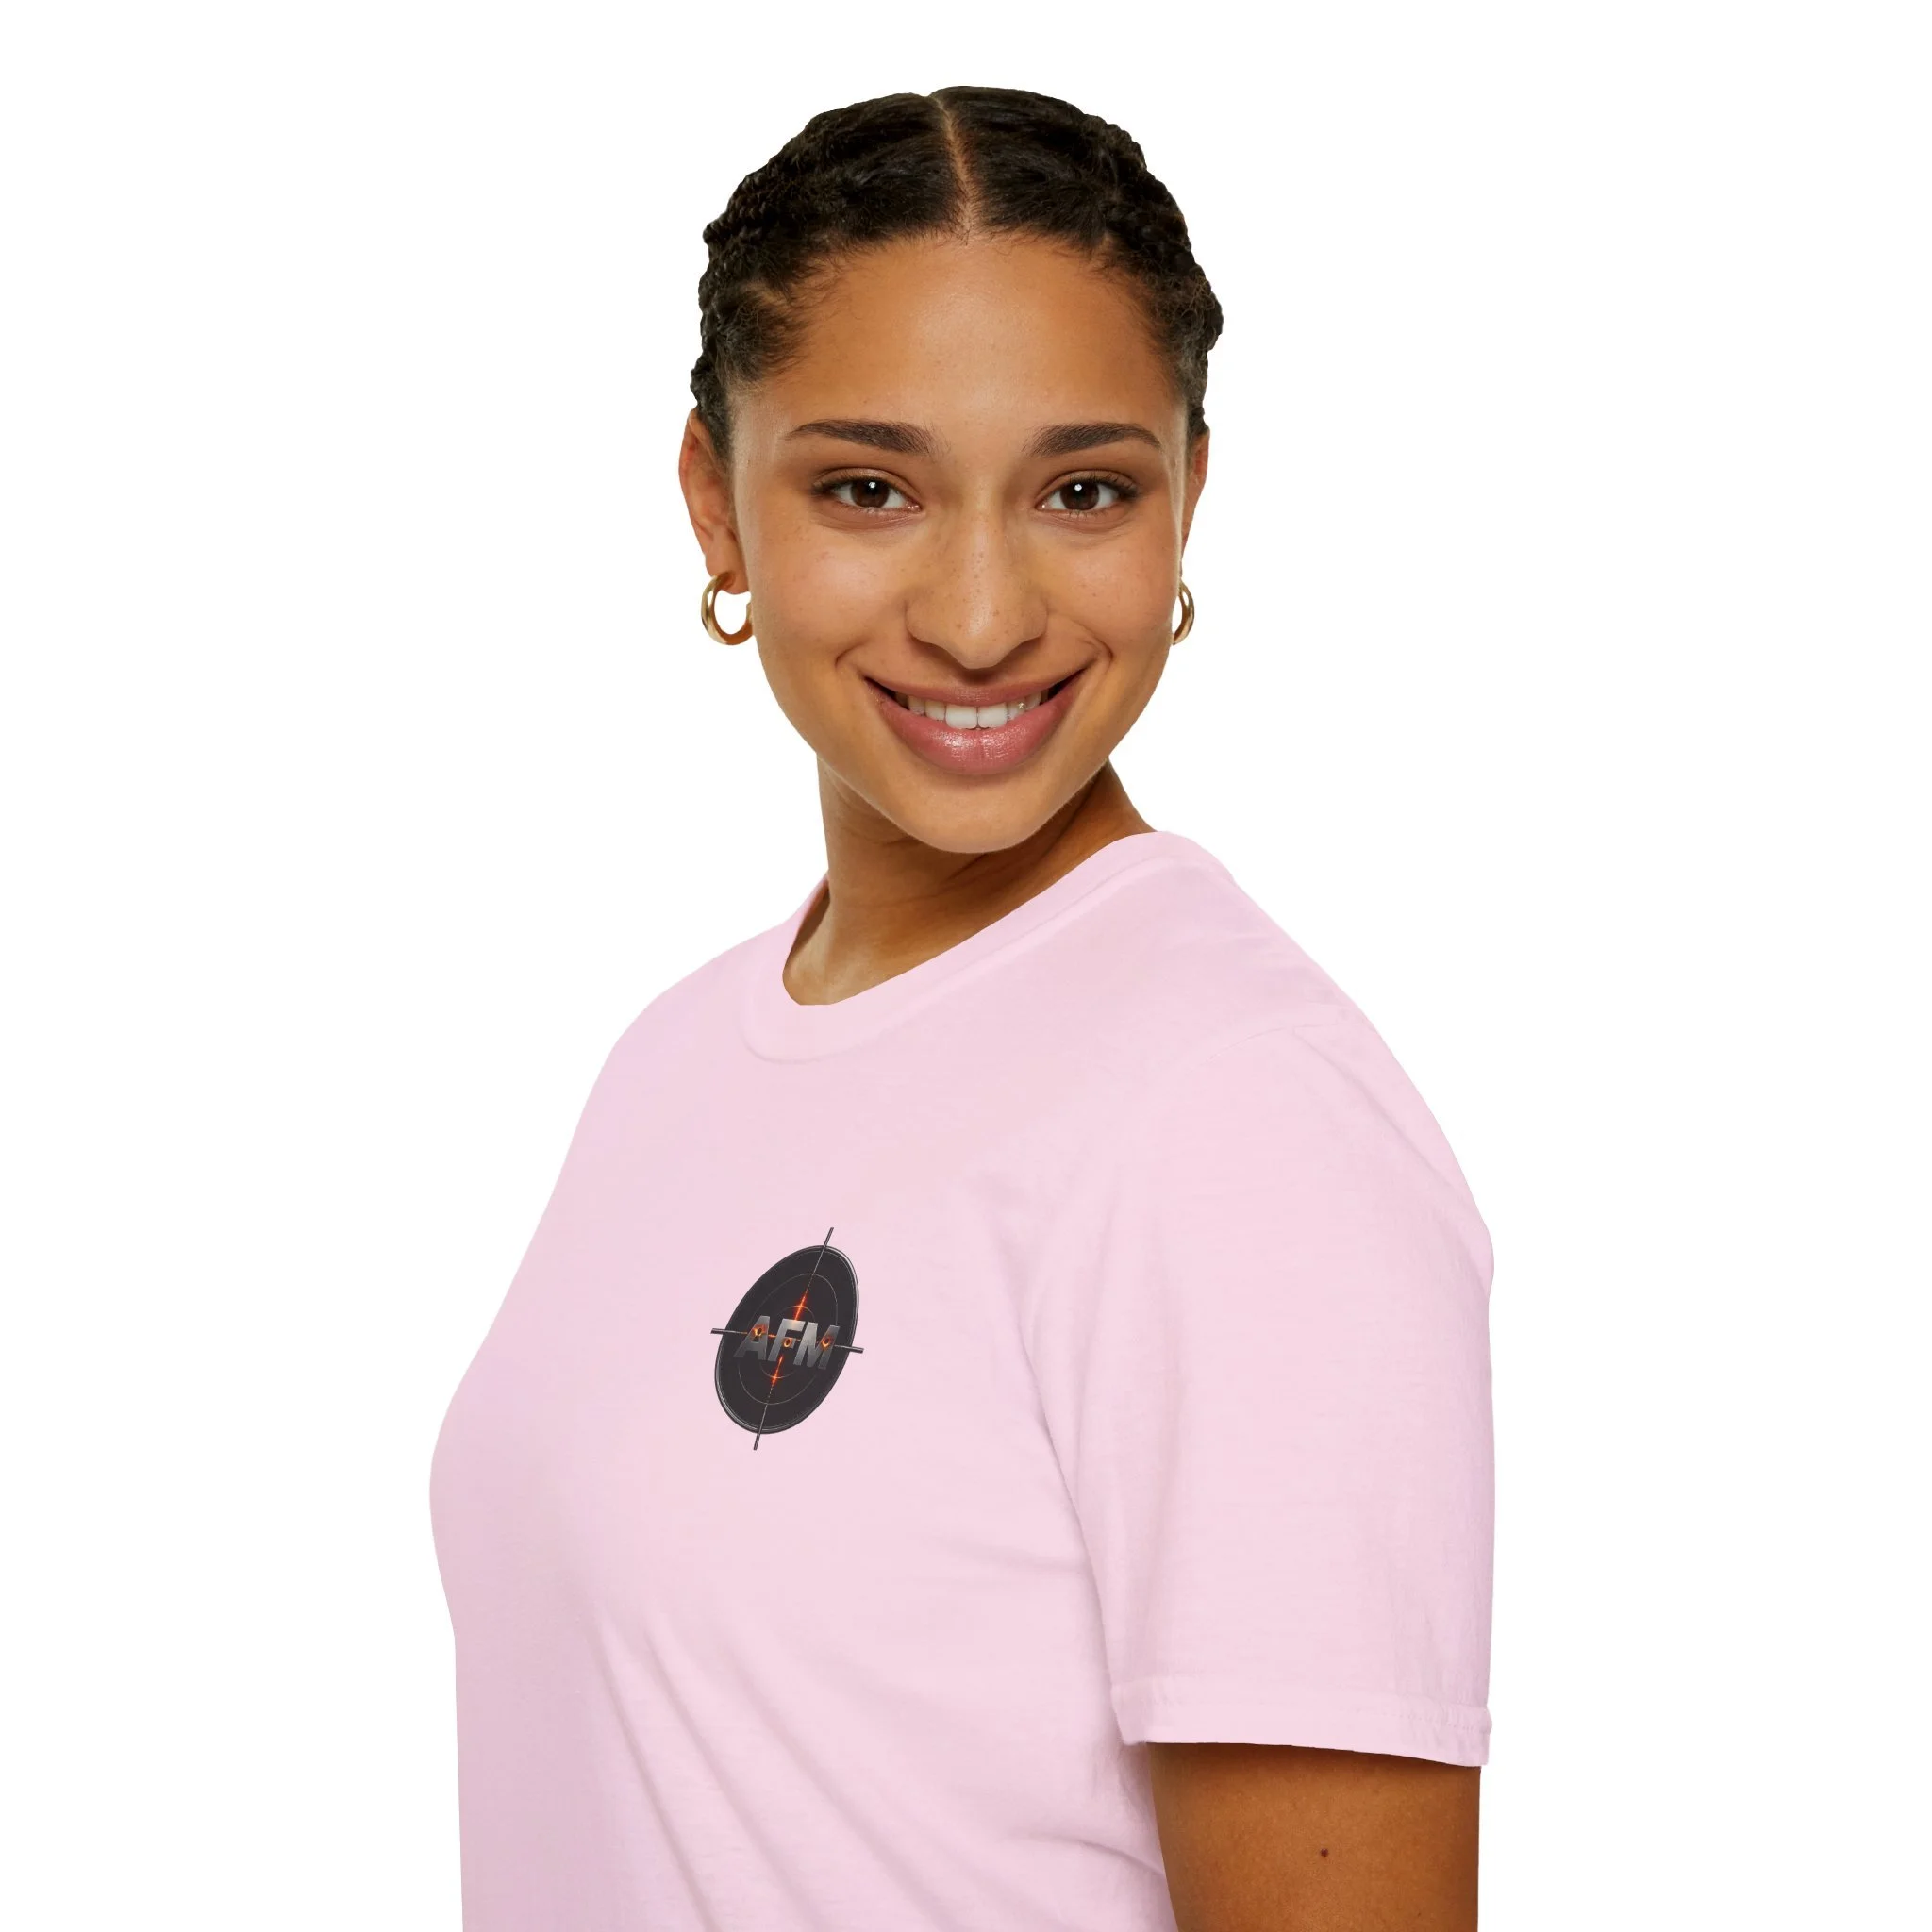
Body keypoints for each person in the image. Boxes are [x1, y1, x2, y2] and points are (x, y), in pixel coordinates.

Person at [430, 85, 1494, 1931]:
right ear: (715, 501)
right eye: (869, 488)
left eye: (1085, 491)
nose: (984, 614)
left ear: (1190, 497)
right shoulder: (676, 1054)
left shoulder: (1239, 1117)